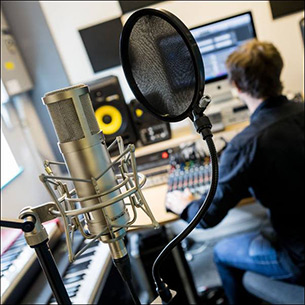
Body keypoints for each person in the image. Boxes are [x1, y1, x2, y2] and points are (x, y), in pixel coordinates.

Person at [166, 39, 304, 304]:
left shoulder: (246, 145)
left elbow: (208, 218)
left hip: (298, 259)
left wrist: (186, 205)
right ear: (278, 73)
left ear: (237, 86)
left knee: (221, 251)